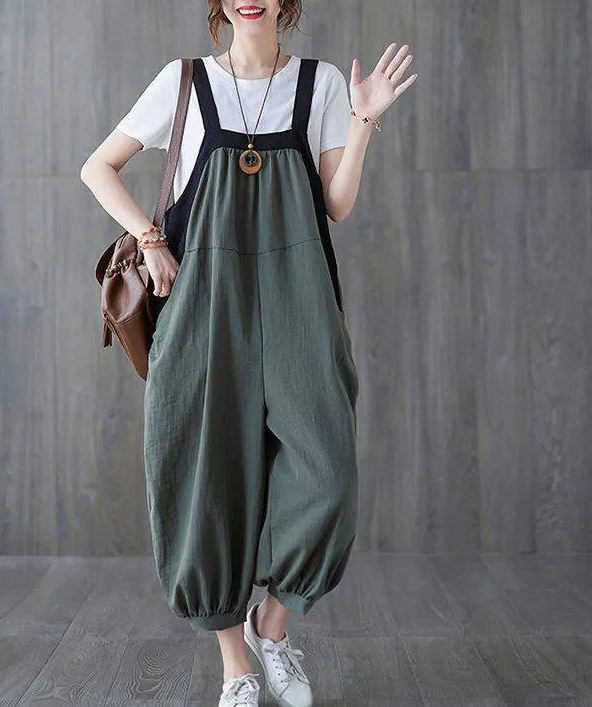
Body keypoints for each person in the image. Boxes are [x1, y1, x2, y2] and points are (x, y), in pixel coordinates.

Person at [80, 2, 416, 705]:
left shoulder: (321, 84)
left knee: (327, 475)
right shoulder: (183, 81)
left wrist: (362, 121)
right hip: (203, 308)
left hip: (301, 304)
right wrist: (149, 237)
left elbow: (337, 203)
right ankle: (236, 665)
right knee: (206, 480)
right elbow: (98, 168)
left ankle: (272, 624)